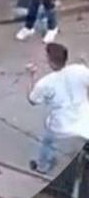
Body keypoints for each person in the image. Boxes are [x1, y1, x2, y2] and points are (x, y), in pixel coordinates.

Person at [26, 42, 89, 173]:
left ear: (49, 61)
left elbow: (33, 100)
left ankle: (43, 166)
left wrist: (32, 77)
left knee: (48, 141)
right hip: (83, 117)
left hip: (61, 124)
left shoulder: (44, 83)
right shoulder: (79, 70)